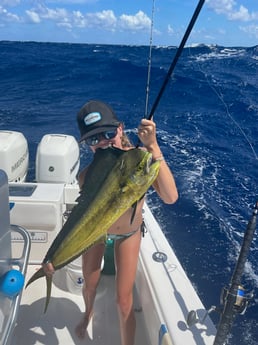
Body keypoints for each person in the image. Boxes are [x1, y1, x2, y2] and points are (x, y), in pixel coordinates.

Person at [43, 100, 178, 345]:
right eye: (95, 139)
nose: (104, 141)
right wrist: (54, 258)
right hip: (96, 234)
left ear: (120, 128)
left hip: (129, 234)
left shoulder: (142, 161)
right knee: (89, 286)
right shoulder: (87, 175)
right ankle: (88, 313)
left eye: (108, 133)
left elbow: (170, 197)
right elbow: (82, 218)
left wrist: (153, 146)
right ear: (88, 145)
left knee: (124, 300)